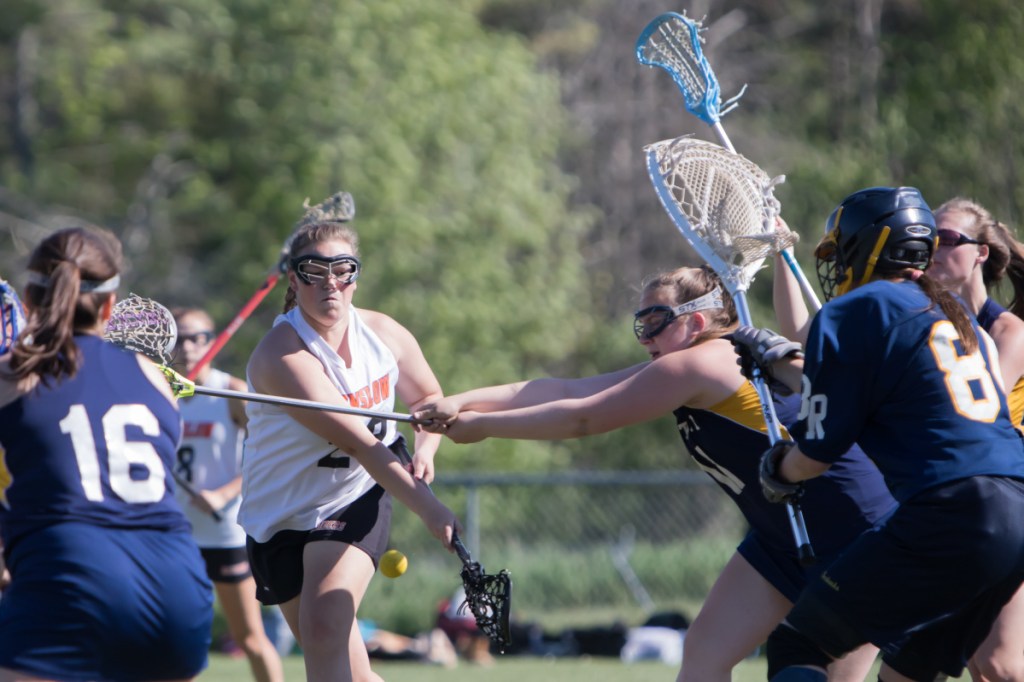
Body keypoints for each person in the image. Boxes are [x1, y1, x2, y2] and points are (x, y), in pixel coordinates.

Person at [414, 264, 893, 681]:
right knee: (703, 658)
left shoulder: (699, 364)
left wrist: (484, 427)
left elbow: (583, 418)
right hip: (781, 537)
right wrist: (462, 401)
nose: (645, 338)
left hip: (851, 533)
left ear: (698, 321)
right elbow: (565, 388)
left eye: (656, 322)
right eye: (639, 324)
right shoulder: (688, 362)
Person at [730, 186, 1024, 682]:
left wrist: (778, 468)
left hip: (952, 505)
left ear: (867, 247)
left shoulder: (856, 309)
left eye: (841, 250)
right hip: (1016, 503)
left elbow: (818, 452)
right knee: (906, 671)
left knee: (799, 643)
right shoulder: (955, 315)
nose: (838, 265)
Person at [237, 192, 461, 682]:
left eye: (343, 270)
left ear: (356, 276)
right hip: (278, 514)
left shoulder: (384, 334)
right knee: (350, 671)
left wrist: (425, 447)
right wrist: (430, 508)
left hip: (356, 493)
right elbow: (358, 438)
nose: (330, 284)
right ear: (294, 280)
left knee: (323, 630)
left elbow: (426, 401)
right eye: (314, 272)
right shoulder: (282, 355)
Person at [0, 226, 213, 681]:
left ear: (30, 299)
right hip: (178, 587)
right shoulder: (155, 378)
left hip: (70, 572)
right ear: (111, 306)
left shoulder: (13, 375)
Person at [927, 197, 1024, 682]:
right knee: (977, 661)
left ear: (981, 253)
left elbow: (982, 409)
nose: (934, 250)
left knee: (999, 663)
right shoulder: (929, 327)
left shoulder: (1008, 331)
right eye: (928, 240)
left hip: (1011, 496)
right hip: (965, 502)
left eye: (947, 240)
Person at [170, 306, 284, 682]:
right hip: (175, 533)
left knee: (248, 638)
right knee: (174, 638)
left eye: (197, 338)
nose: (188, 347)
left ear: (212, 342)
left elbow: (266, 453)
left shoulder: (229, 391)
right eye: (179, 338)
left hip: (223, 533)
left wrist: (223, 493)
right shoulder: (159, 392)